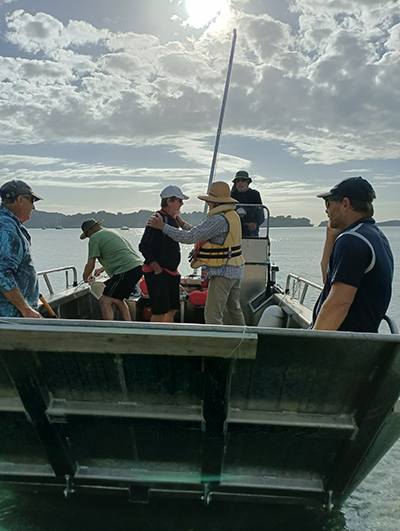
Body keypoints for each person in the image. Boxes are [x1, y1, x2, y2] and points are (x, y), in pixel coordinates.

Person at [147, 181, 245, 326]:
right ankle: (243, 340)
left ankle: (215, 346)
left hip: (223, 272)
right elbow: (201, 233)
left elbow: (190, 237)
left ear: (214, 202)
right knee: (234, 309)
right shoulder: (232, 215)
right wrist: (182, 224)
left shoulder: (218, 219)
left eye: (209, 201)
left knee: (212, 314)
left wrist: (163, 227)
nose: (208, 204)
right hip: (236, 269)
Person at [312, 176, 394, 332]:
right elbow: (328, 280)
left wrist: (311, 346)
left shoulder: (352, 241)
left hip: (342, 346)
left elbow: (339, 304)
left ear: (345, 203)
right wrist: (331, 236)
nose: (326, 210)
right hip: (362, 341)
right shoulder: (376, 236)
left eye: (328, 203)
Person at [139, 185, 189, 322]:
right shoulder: (157, 219)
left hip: (171, 272)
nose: (182, 203)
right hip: (158, 273)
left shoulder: (173, 219)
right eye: (179, 200)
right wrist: (156, 268)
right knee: (159, 311)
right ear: (169, 201)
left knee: (172, 308)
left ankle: (167, 336)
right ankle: (153, 340)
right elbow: (143, 246)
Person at [81, 218, 143, 321]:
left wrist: (85, 277)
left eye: (87, 235)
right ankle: (129, 326)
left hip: (125, 270)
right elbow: (118, 253)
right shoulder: (110, 232)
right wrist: (102, 268)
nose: (88, 237)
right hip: (136, 267)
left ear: (90, 230)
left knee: (104, 301)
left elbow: (90, 265)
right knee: (117, 299)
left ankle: (109, 330)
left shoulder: (94, 237)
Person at [0, 179, 43, 318]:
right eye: (32, 201)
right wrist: (25, 309)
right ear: (19, 199)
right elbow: (2, 273)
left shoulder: (8, 224)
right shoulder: (7, 230)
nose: (34, 207)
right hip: (11, 318)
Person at [231, 170, 264, 237]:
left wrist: (255, 223)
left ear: (248, 183)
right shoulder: (231, 196)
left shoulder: (255, 194)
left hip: (251, 233)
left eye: (243, 180)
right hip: (234, 232)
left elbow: (260, 213)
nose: (240, 183)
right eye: (238, 181)